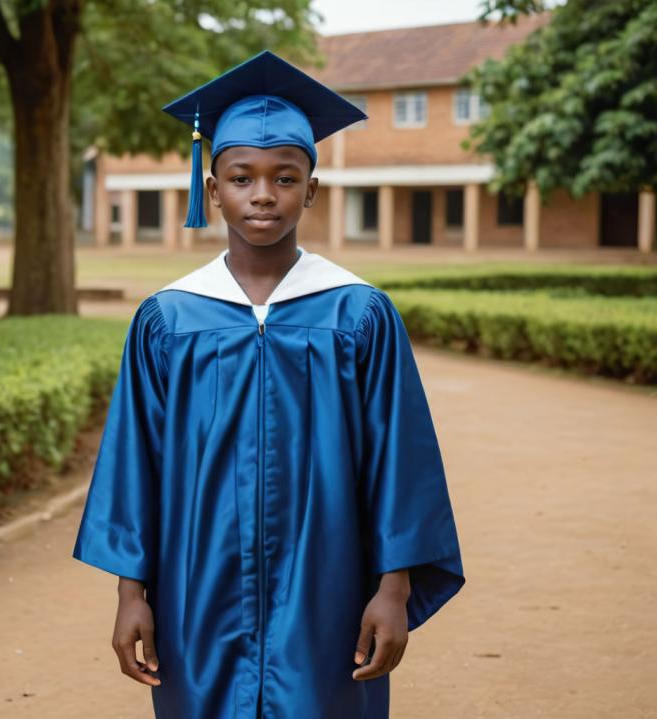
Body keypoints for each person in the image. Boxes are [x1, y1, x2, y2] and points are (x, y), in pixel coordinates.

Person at [72, 50, 465, 719]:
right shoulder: (169, 319)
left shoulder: (357, 312)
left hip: (329, 589)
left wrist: (393, 588)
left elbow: (400, 460)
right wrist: (130, 591)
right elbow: (137, 461)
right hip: (197, 594)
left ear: (311, 188)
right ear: (213, 188)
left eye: (285, 177)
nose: (262, 193)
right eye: (241, 176)